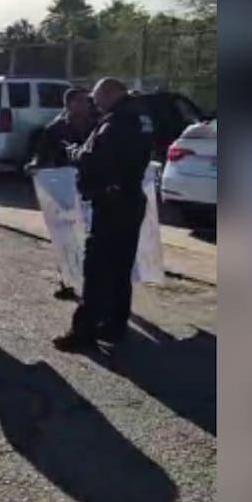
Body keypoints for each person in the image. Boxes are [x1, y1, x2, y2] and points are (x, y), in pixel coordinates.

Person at [54, 77, 152, 351]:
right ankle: (115, 323)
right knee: (121, 267)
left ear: (111, 93)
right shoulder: (141, 116)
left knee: (97, 268)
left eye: (98, 97)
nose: (95, 103)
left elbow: (94, 158)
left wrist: (74, 153)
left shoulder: (116, 121)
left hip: (112, 203)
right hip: (131, 199)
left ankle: (83, 332)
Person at [26, 88, 97, 302]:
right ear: (69, 104)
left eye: (87, 101)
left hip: (90, 188)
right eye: (82, 101)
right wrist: (35, 166)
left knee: (90, 238)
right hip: (65, 190)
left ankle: (90, 282)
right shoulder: (55, 129)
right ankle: (66, 280)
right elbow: (42, 155)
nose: (87, 105)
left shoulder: (97, 125)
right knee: (67, 237)